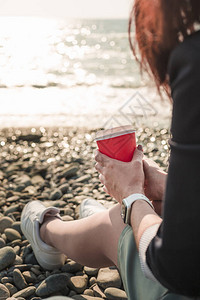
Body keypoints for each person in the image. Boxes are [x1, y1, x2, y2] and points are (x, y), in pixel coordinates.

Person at [21, 1, 200, 299]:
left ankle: (47, 232)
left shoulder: (195, 60)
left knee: (119, 222)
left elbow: (178, 267)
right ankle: (103, 220)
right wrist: (170, 185)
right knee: (157, 207)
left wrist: (132, 197)